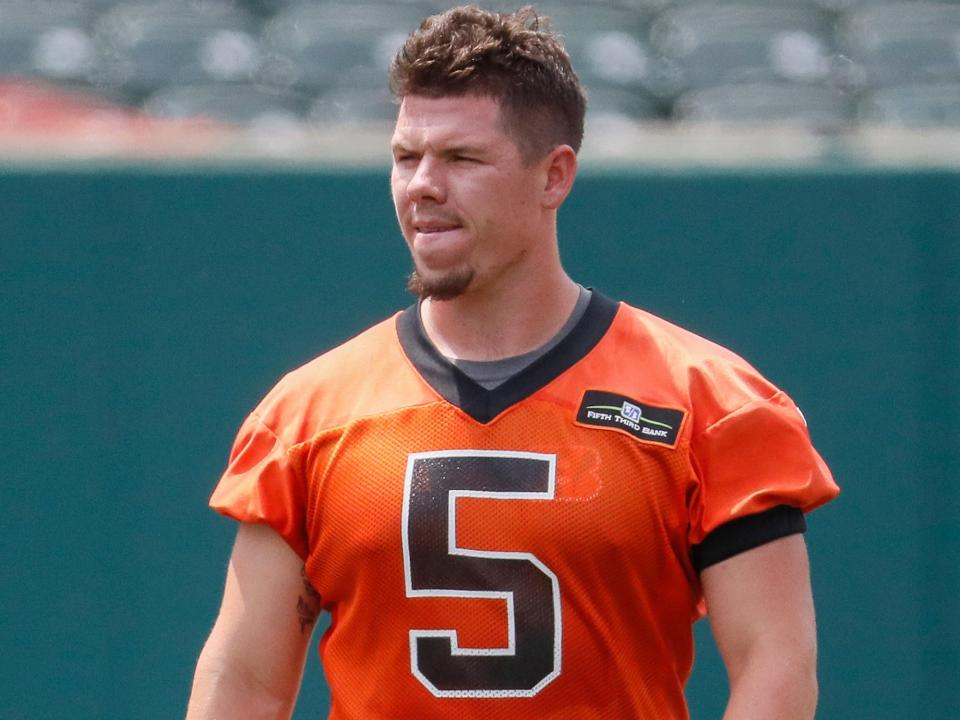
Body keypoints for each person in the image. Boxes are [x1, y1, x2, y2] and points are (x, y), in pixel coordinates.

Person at [186, 5, 839, 719]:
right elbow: (247, 682)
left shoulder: (711, 403)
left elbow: (776, 663)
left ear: (554, 176)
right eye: (406, 157)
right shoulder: (305, 417)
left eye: (461, 158)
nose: (422, 185)